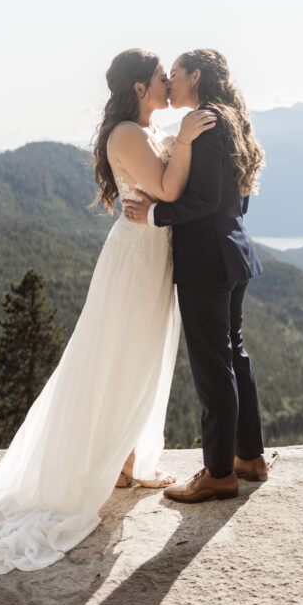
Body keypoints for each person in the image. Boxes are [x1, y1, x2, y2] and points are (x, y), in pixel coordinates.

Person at [0, 48, 216, 574]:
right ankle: (113, 463)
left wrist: (179, 142)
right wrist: (185, 141)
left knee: (142, 355)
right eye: (160, 78)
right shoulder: (127, 133)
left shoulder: (145, 132)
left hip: (151, 251)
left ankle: (127, 461)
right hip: (136, 258)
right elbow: (165, 189)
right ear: (141, 88)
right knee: (123, 353)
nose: (168, 83)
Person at [124, 48, 267, 502]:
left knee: (212, 364)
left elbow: (202, 200)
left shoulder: (205, 122)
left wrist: (153, 215)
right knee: (234, 355)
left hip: (206, 258)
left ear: (197, 76)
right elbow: (234, 197)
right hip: (234, 251)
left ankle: (218, 472)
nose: (171, 83)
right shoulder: (229, 118)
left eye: (177, 75)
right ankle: (249, 457)